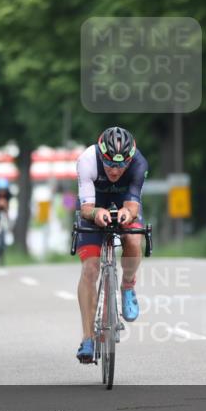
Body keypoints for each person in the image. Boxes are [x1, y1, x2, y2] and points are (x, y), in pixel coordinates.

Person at [75, 126, 148, 363]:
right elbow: (86, 209)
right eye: (109, 164)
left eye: (121, 165)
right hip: (94, 204)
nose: (115, 170)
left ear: (130, 159)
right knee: (90, 269)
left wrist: (127, 213)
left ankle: (127, 285)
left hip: (123, 201)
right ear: (101, 155)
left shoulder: (138, 163)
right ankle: (87, 338)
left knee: (134, 237)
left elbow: (133, 205)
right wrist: (97, 212)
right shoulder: (87, 160)